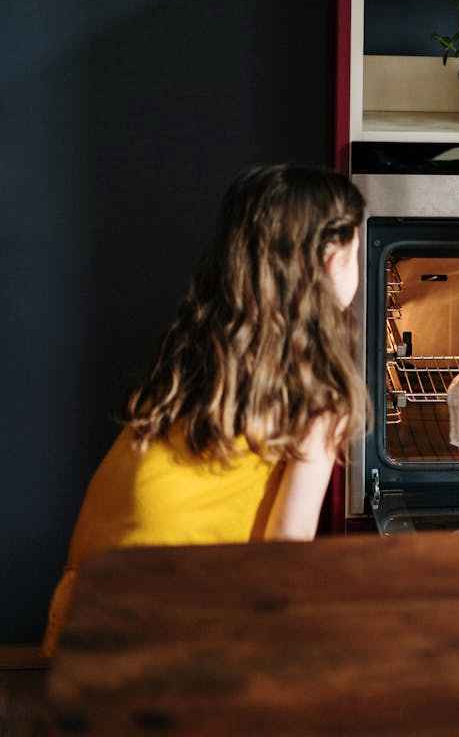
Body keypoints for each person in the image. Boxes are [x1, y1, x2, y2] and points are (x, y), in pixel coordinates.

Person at [42, 165, 366, 655]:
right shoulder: (319, 391)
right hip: (183, 609)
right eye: (358, 251)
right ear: (329, 259)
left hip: (100, 588)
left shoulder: (202, 342)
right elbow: (289, 541)